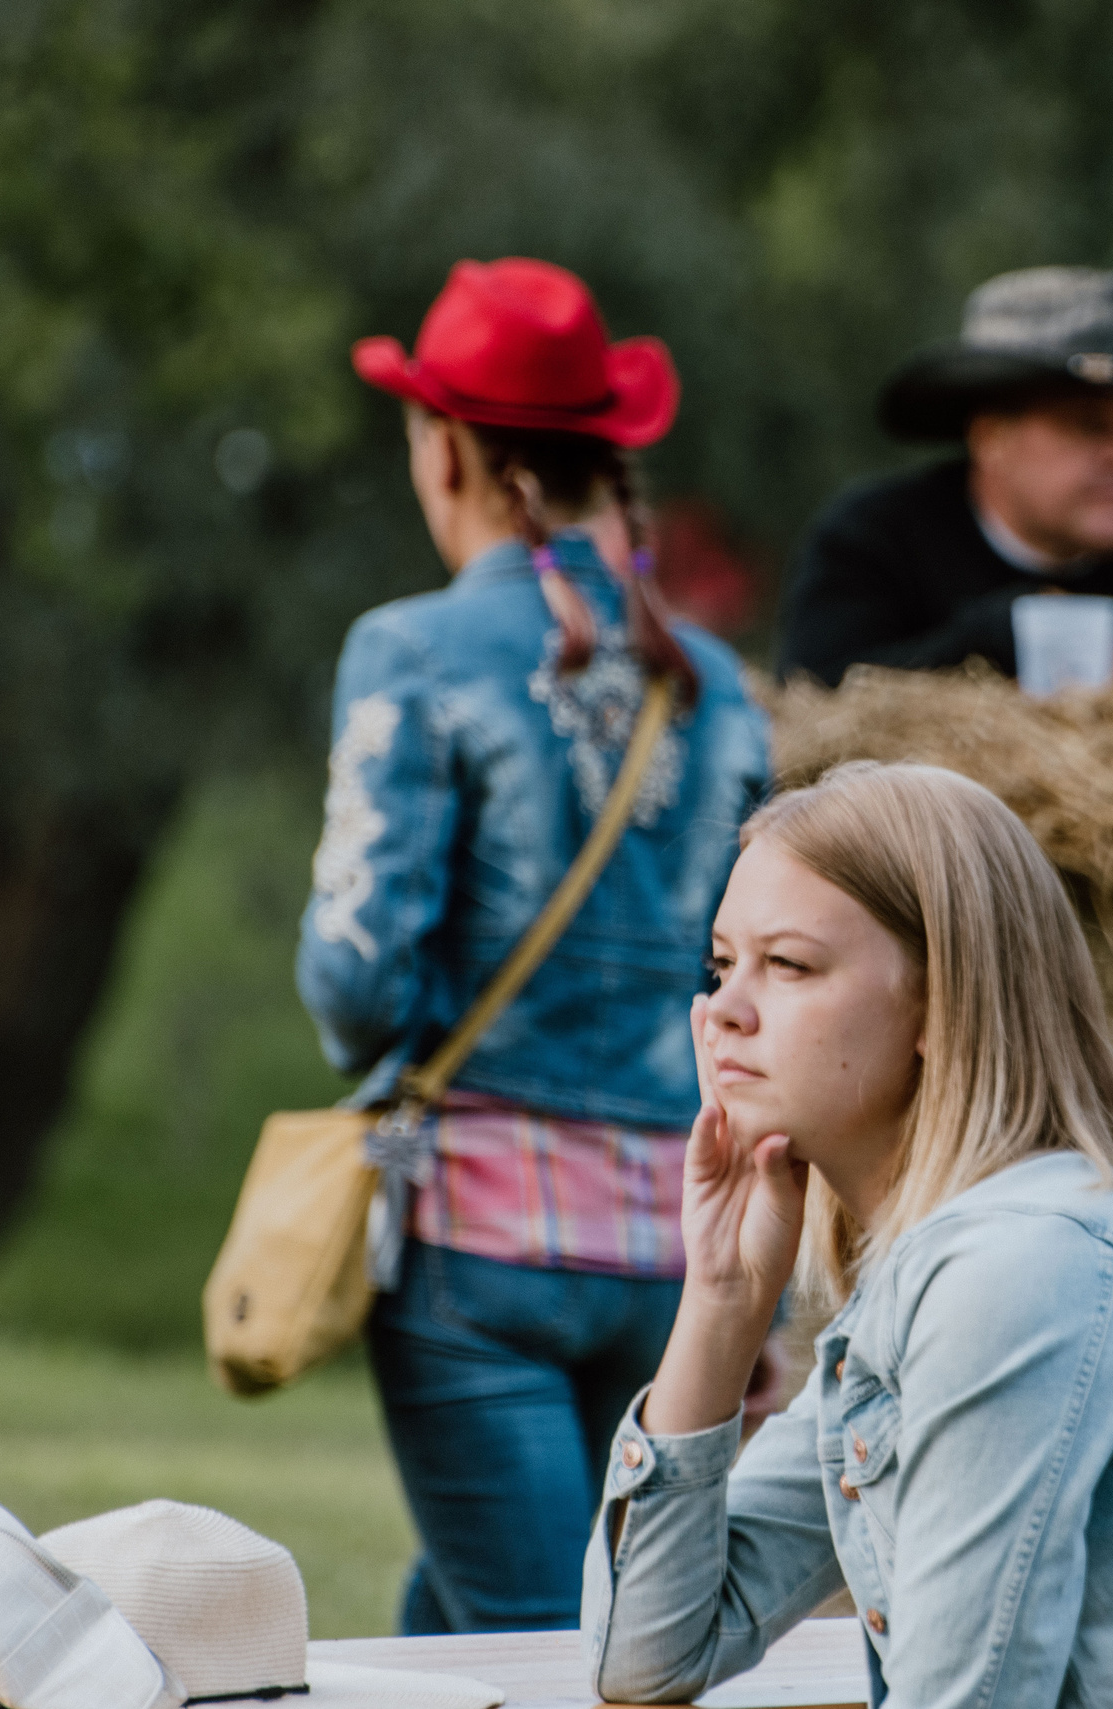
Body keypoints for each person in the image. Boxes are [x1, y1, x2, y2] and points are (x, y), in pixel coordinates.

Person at [582, 762, 1113, 1709]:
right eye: (720, 966)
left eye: (789, 965)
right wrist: (723, 1299)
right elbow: (645, 1651)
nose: (723, 1012)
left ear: (940, 1004)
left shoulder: (1018, 1267)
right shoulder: (937, 1275)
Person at [297, 257, 773, 1634]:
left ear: (447, 451)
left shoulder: (413, 649)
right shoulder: (719, 685)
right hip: (676, 1247)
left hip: (477, 1245)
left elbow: (355, 977)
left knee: (544, 1644)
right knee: (467, 1610)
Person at [775, 266, 1113, 686]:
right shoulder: (876, 541)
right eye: (1088, 425)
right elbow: (815, 707)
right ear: (990, 438)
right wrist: (995, 638)